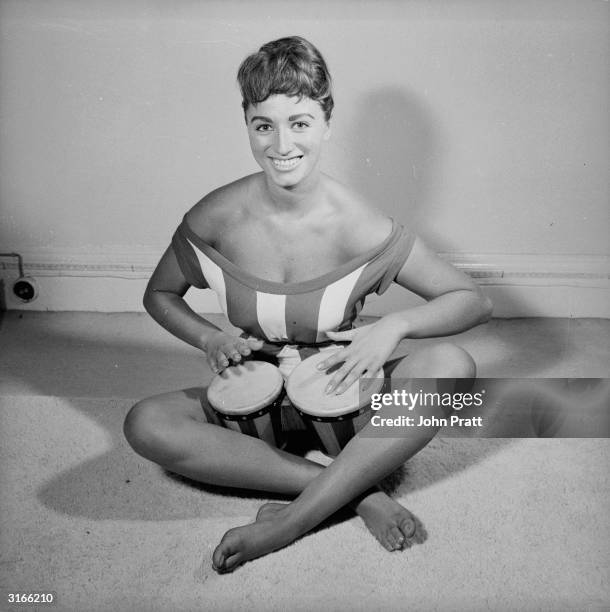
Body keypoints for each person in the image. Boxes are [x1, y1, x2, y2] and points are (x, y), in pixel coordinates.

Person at [123, 36, 493, 573]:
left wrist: (395, 328)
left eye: (299, 123)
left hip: (346, 389)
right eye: (263, 125)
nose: (280, 145)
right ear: (246, 123)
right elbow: (158, 294)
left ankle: (290, 521)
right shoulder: (216, 214)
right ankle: (356, 493)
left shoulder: (359, 223)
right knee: (146, 423)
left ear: (326, 123)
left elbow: (473, 302)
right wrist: (209, 337)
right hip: (251, 400)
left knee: (452, 369)